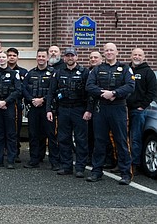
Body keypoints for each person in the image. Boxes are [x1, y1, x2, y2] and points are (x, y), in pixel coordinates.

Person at [86, 43, 136, 184]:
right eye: (106, 50)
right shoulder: (97, 69)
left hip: (118, 108)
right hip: (101, 109)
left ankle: (126, 173)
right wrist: (103, 94)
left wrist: (114, 93)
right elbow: (89, 86)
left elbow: (130, 86)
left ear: (116, 52)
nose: (109, 52)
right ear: (104, 53)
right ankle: (96, 171)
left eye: (111, 50)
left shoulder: (125, 69)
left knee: (121, 141)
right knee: (99, 141)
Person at [46, 47, 92, 178]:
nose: (70, 58)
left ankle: (80, 167)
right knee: (63, 138)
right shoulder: (58, 72)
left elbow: (90, 94)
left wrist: (89, 110)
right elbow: (51, 92)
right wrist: (49, 109)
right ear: (64, 58)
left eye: (72, 56)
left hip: (79, 109)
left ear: (76, 57)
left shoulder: (84, 72)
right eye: (67, 56)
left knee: (81, 139)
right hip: (63, 109)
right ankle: (66, 166)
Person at [22, 49, 58, 170]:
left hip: (47, 108)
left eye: (43, 56)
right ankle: (34, 160)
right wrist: (32, 100)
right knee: (33, 134)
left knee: (50, 135)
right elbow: (24, 89)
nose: (41, 58)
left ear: (47, 58)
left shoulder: (53, 73)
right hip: (33, 108)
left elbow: (54, 90)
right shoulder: (30, 73)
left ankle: (54, 162)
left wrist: (42, 99)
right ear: (36, 58)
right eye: (39, 56)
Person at [0, 50, 20, 168]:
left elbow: (17, 90)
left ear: (7, 59)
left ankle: (11, 160)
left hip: (9, 106)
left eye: (3, 57)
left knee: (10, 134)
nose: (1, 59)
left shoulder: (13, 73)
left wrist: (5, 102)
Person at [128, 48, 157, 172]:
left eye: (140, 55)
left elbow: (152, 92)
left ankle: (134, 164)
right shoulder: (126, 70)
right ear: (131, 56)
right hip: (123, 109)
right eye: (135, 54)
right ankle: (123, 162)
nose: (137, 57)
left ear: (143, 57)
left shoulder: (148, 72)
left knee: (135, 137)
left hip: (138, 111)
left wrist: (142, 106)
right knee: (123, 137)